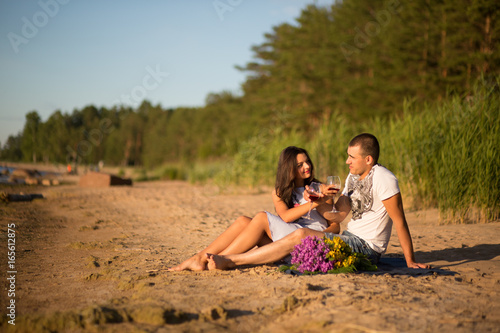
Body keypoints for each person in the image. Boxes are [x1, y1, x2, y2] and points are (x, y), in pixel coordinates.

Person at [206, 133, 430, 270]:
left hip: (367, 248)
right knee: (268, 228)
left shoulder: (385, 179)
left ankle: (232, 261)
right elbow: (339, 216)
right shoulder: (352, 177)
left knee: (300, 235)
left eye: (352, 157)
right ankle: (213, 258)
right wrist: (322, 202)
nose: (347, 161)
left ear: (368, 159)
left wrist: (409, 260)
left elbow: (400, 222)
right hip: (348, 239)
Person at [169, 146, 341, 271]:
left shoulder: (318, 187)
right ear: (289, 169)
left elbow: (333, 222)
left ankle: (213, 260)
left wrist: (320, 199)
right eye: (300, 165)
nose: (306, 167)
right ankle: (201, 257)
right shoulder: (279, 192)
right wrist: (312, 204)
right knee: (243, 221)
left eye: (307, 162)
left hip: (307, 239)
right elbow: (286, 217)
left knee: (261, 217)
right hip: (287, 239)